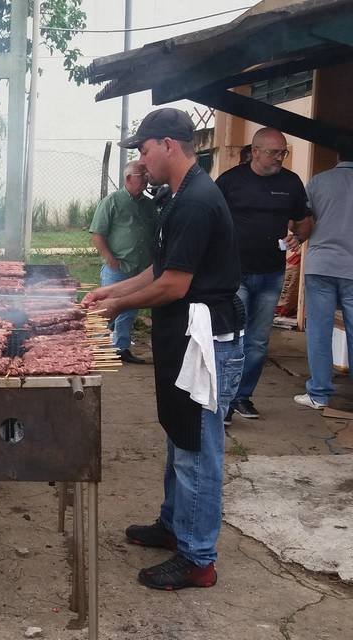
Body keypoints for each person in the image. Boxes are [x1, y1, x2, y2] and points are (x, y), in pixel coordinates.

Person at [83, 108, 244, 590]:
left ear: (169, 144)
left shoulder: (196, 201)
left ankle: (198, 559)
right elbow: (159, 269)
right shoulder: (177, 198)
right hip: (184, 338)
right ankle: (174, 525)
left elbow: (174, 285)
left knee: (197, 445)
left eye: (144, 149)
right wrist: (111, 292)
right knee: (179, 434)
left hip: (205, 343)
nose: (141, 159)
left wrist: (118, 310)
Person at [215, 128, 312, 423]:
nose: (279, 158)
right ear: (255, 152)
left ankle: (243, 396)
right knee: (235, 338)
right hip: (236, 274)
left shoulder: (291, 182)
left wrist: (299, 237)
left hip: (271, 274)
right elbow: (211, 219)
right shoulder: (230, 181)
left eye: (283, 152)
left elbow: (306, 222)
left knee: (258, 341)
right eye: (273, 152)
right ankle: (225, 400)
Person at [294, 143, 353, 410]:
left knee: (319, 330)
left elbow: (303, 219)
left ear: (339, 154)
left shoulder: (319, 181)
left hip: (321, 265)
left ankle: (319, 393)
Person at [89, 160, 157, 363]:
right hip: (118, 266)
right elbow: (97, 232)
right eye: (141, 175)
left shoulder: (148, 204)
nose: (146, 178)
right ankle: (97, 349)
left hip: (141, 268)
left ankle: (122, 348)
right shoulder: (112, 201)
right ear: (128, 178)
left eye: (146, 175)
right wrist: (109, 258)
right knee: (106, 308)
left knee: (129, 310)